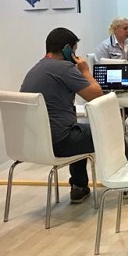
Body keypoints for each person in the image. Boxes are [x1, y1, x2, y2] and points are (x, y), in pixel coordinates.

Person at [20, 27, 103, 203]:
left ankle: (79, 187)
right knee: (111, 130)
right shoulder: (65, 68)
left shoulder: (35, 69)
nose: (75, 55)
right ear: (66, 49)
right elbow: (96, 95)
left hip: (33, 143)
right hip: (60, 142)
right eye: (74, 51)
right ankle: (127, 186)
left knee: (78, 129)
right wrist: (85, 71)